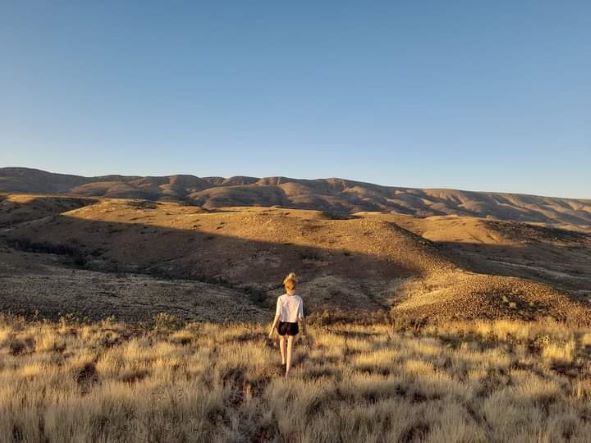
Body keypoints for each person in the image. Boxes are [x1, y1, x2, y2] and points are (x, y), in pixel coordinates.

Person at [268, 272, 304, 377]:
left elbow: (277, 315)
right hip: (293, 325)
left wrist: (272, 329)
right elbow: (301, 317)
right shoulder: (299, 299)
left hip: (282, 324)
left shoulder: (280, 298)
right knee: (290, 349)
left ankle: (283, 360)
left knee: (282, 340)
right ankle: (288, 372)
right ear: (295, 288)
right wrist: (304, 329)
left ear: (286, 288)